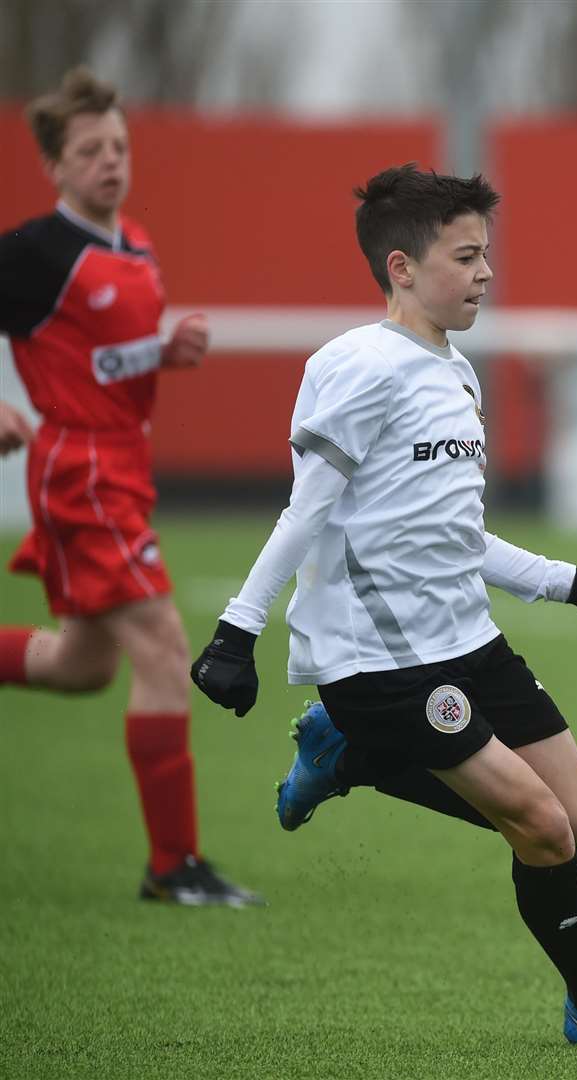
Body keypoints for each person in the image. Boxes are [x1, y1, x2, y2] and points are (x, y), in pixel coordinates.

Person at [189, 164, 577, 1049]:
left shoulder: (457, 373)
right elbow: (306, 510)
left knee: (573, 817)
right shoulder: (358, 366)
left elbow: (456, 537)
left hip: (467, 638)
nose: (486, 273)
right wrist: (239, 627)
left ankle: (352, 759)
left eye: (486, 254)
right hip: (383, 661)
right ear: (402, 267)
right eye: (466, 257)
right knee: (540, 827)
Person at [0, 68, 260, 908]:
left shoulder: (136, 247)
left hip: (120, 469)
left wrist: (162, 352)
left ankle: (173, 864)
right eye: (90, 151)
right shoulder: (38, 254)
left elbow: (102, 360)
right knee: (162, 651)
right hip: (81, 471)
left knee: (82, 666)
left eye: (119, 146)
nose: (110, 162)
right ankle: (172, 866)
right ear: (56, 165)